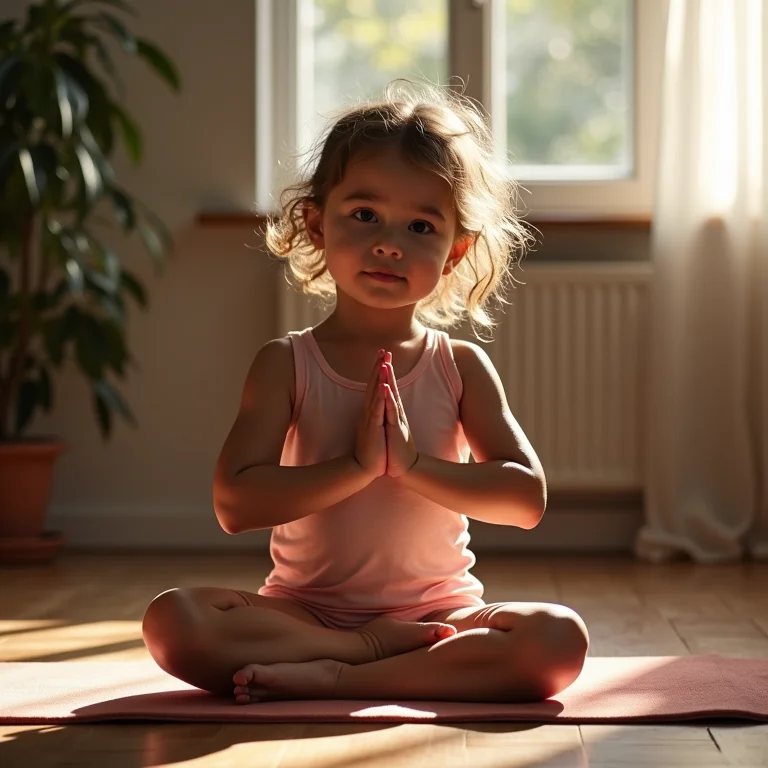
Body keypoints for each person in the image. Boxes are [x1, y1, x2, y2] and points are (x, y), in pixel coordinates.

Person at [141, 80, 589, 705]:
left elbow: (524, 500)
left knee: (557, 639)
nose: (389, 242)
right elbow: (235, 504)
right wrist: (356, 467)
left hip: (436, 619)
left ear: (455, 252)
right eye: (364, 215)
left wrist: (409, 466)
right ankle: (363, 655)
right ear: (316, 223)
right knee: (174, 620)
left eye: (420, 225)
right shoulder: (285, 363)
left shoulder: (461, 366)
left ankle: (344, 678)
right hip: (304, 617)